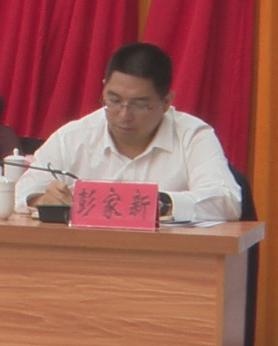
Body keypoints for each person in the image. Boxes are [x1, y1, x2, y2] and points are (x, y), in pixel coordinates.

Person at [17, 43, 241, 222]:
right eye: (114, 100)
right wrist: (40, 200)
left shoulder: (192, 135)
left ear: (166, 102)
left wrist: (158, 204)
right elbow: (20, 193)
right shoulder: (73, 137)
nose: (124, 115)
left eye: (140, 105)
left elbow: (227, 200)